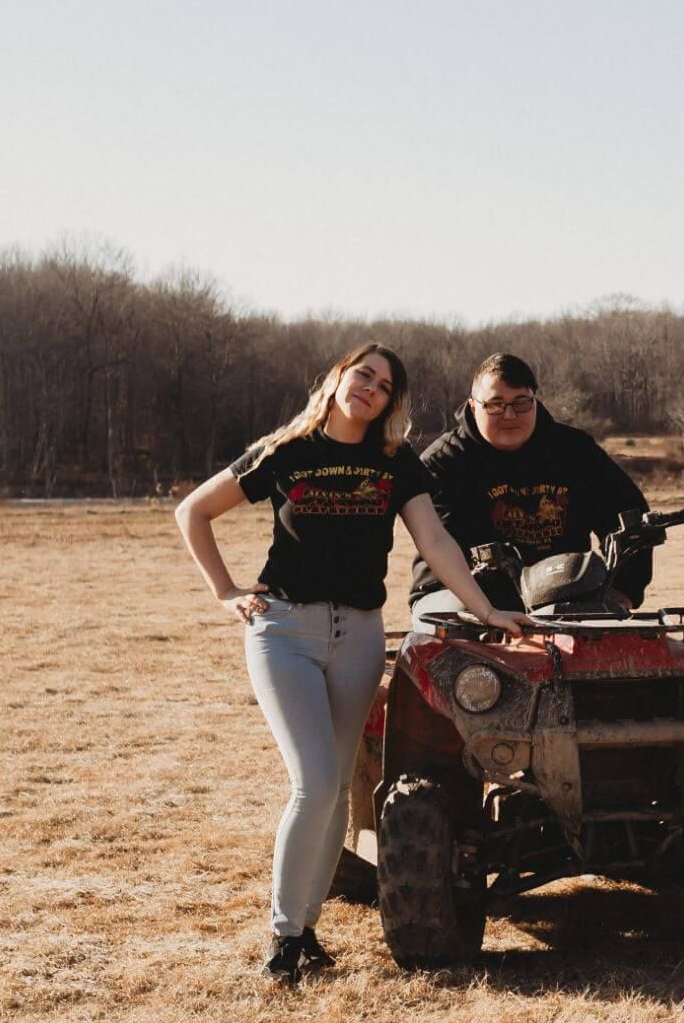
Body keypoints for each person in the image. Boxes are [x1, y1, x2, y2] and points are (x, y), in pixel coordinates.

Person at [174, 342, 527, 985]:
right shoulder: (286, 450)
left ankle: (306, 928)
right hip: (285, 630)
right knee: (312, 781)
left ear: (390, 402)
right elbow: (192, 511)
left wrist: (485, 610)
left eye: (384, 384)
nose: (370, 387)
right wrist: (225, 590)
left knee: (338, 785)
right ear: (339, 378)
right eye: (363, 374)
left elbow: (436, 541)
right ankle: (282, 937)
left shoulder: (395, 461)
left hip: (359, 634)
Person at [408, 353, 650, 623]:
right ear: (473, 406)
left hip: (563, 592)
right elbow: (442, 547)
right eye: (495, 405)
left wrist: (623, 589)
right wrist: (491, 611)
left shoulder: (575, 451)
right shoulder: (443, 463)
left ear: (535, 401)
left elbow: (629, 512)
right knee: (459, 625)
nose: (509, 415)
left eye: (521, 403)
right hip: (459, 592)